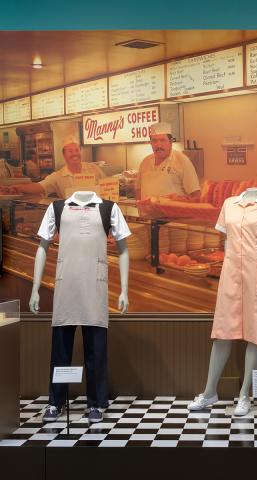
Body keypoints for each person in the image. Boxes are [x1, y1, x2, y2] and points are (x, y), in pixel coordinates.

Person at [188, 188, 257, 416]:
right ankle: (209, 392)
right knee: (223, 332)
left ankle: (245, 395)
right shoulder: (229, 204)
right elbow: (226, 239)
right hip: (233, 274)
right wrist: (228, 264)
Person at [30, 190, 131, 423]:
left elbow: (123, 248)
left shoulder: (108, 208)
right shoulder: (57, 207)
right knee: (60, 348)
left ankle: (96, 403)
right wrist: (35, 287)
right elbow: (42, 246)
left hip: (95, 284)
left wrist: (124, 289)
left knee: (96, 349)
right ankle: (55, 402)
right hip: (66, 283)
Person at [13, 136, 105, 198]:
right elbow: (39, 187)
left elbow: (108, 185)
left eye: (77, 150)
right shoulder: (58, 176)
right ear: (64, 155)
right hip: (71, 217)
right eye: (70, 151)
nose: (75, 154)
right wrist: (17, 187)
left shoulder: (93, 168)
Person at [136, 122, 200, 201]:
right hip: (147, 213)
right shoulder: (145, 162)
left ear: (170, 142)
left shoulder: (182, 161)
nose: (158, 145)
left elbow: (196, 196)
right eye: (154, 141)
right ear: (151, 143)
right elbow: (138, 190)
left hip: (174, 213)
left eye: (162, 140)